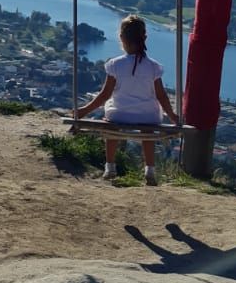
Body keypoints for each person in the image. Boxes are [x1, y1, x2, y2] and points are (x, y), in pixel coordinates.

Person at [73, 14, 178, 183]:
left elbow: (105, 95)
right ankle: (150, 171)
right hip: (148, 116)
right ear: (145, 37)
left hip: (119, 114)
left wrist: (84, 111)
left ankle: (110, 167)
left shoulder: (115, 64)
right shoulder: (154, 67)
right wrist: (172, 116)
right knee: (148, 130)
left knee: (110, 126)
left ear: (121, 38)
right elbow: (161, 96)